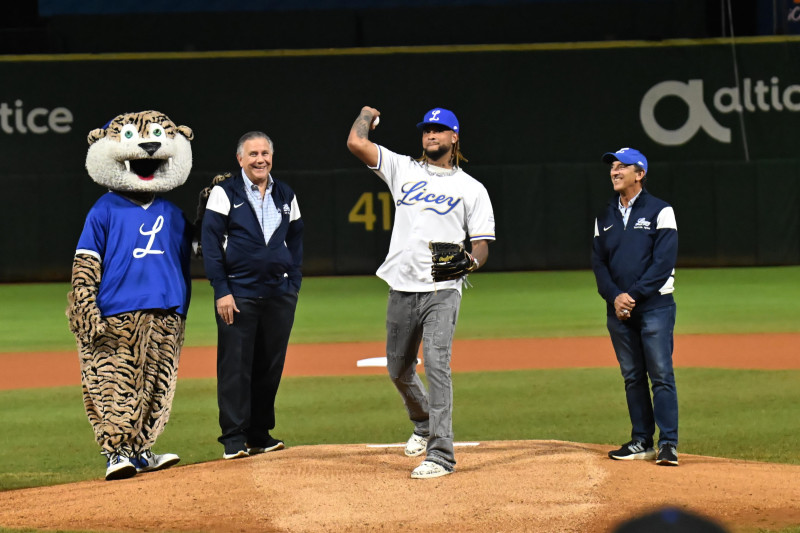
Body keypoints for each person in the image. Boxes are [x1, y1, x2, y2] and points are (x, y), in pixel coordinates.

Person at [347, 106, 496, 479]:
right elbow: (355, 142)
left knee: (437, 365)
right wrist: (366, 114)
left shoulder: (471, 188)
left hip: (443, 288)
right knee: (398, 368)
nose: (431, 135)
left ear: (454, 137)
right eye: (427, 129)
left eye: (440, 130)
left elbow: (481, 245)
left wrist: (469, 265)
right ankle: (423, 421)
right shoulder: (402, 169)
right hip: (401, 285)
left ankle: (441, 455)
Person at [201, 131, 303, 460]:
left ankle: (259, 433)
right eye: (253, 154)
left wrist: (294, 283)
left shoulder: (285, 193)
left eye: (265, 153)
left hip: (278, 294)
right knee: (235, 367)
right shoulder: (224, 192)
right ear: (240, 159)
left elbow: (297, 242)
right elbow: (211, 246)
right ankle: (233, 437)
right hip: (238, 293)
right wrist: (221, 290)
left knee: (269, 367)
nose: (260, 159)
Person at [591, 147, 679, 466]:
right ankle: (642, 440)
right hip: (618, 311)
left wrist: (633, 296)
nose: (614, 171)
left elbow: (663, 263)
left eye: (621, 167)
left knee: (661, 375)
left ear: (639, 174)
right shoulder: (605, 216)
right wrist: (615, 297)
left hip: (655, 306)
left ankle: (668, 443)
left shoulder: (660, 211)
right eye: (612, 167)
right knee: (632, 376)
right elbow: (599, 264)